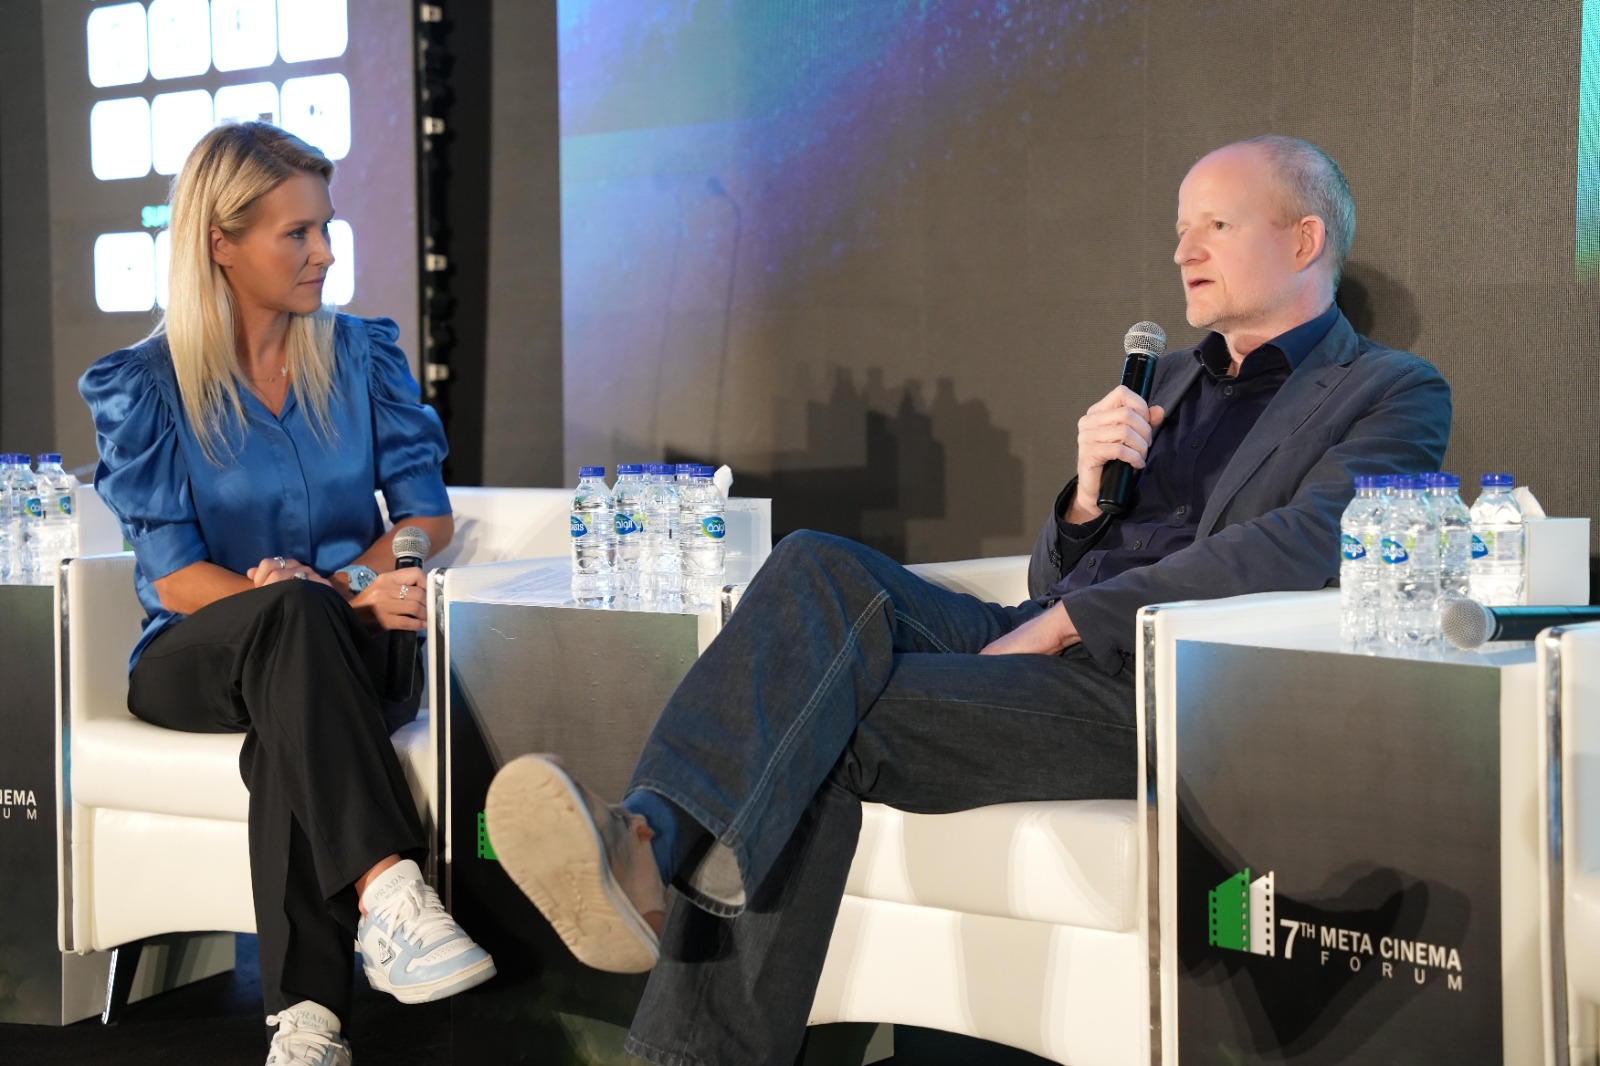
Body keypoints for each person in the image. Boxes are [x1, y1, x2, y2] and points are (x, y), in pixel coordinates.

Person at [483, 135, 1453, 1065]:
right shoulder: (1162, 381)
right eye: (1178, 228)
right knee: (816, 564)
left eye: (1215, 226)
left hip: (1155, 690)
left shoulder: (1388, 389)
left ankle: (676, 960)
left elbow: (1305, 543)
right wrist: (1084, 499)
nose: (1181, 250)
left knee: (821, 719)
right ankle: (649, 833)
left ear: (1303, 239)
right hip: (1043, 639)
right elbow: (1048, 576)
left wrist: (1069, 621)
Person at [80, 123, 493, 1066]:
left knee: (290, 722)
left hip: (345, 648)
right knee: (290, 629)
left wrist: (342, 588)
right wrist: (319, 602)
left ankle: (309, 1023)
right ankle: (388, 885)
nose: (325, 253)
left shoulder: (360, 356)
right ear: (220, 243)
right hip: (199, 654)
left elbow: (426, 518)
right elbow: (175, 576)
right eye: (297, 233)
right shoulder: (146, 386)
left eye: (326, 228)